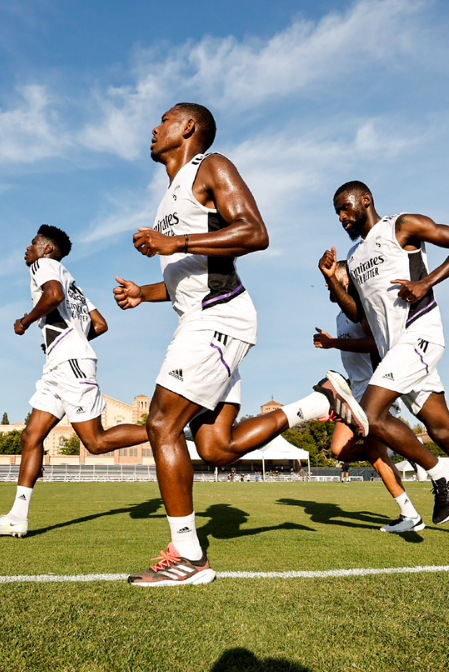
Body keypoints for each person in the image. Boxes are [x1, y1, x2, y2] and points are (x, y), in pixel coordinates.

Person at [113, 103, 367, 586]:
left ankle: (188, 557)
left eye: (163, 119)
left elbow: (255, 232)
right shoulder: (169, 196)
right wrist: (143, 293)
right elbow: (190, 277)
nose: (153, 127)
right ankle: (320, 402)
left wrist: (176, 243)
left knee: (161, 423)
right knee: (215, 448)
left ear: (187, 128)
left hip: (218, 318)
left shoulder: (210, 166)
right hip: (204, 317)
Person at [320, 180, 449, 526]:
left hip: (420, 336)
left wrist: (426, 282)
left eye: (345, 208)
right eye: (337, 212)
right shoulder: (354, 257)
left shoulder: (402, 226)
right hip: (394, 353)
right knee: (443, 431)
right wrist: (329, 278)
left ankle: (444, 473)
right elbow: (357, 313)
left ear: (365, 200)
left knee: (369, 416)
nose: (342, 217)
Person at [0, 226, 151, 538]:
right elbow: (100, 324)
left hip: (70, 363)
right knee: (31, 436)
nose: (27, 249)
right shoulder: (75, 284)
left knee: (95, 442)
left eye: (33, 243)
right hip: (59, 364)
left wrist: (26, 322)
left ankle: (168, 428)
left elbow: (53, 295)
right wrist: (67, 339)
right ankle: (17, 516)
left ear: (47, 249)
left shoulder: (45, 266)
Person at [315, 260, 423, 531]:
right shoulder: (342, 314)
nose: (328, 286)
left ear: (346, 280)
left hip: (378, 389)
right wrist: (338, 398)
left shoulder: (362, 309)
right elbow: (355, 362)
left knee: (376, 455)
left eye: (333, 281)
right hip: (356, 390)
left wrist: (333, 343)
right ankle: (404, 448)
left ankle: (410, 515)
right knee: (340, 450)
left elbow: (377, 343)